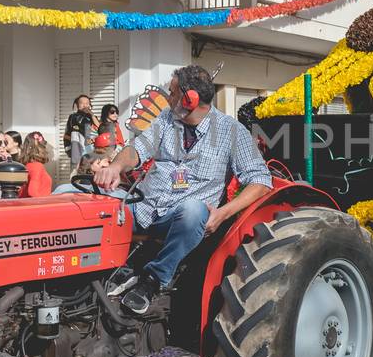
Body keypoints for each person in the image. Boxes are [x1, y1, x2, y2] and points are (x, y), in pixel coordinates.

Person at [92, 66, 272, 315]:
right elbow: (138, 149)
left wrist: (222, 213)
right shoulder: (166, 120)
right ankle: (92, 281)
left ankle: (152, 281)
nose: (168, 97)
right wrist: (115, 166)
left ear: (190, 99)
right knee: (86, 203)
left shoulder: (232, 131)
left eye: (172, 92)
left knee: (192, 210)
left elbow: (261, 180)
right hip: (143, 208)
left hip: (184, 220)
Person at [64, 95, 95, 167]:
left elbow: (99, 128)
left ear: (90, 105)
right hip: (76, 150)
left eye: (87, 103)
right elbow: (66, 134)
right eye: (82, 103)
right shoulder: (72, 117)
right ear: (77, 105)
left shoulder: (92, 117)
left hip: (90, 150)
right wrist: (71, 146)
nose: (85, 105)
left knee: (90, 171)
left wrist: (92, 115)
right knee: (75, 170)